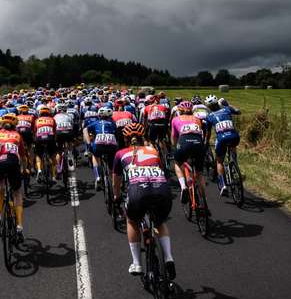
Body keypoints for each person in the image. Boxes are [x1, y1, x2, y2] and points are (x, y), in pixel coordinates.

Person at [112, 122, 175, 279]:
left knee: (132, 220)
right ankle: (168, 257)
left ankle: (137, 263)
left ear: (125, 139)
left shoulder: (121, 154)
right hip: (162, 190)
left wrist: (117, 196)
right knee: (160, 222)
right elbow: (165, 174)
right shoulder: (153, 151)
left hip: (138, 191)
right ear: (142, 138)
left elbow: (116, 181)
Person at [0, 113, 27, 240]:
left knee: (0, 183)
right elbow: (22, 156)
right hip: (12, 161)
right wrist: (24, 169)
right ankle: (19, 225)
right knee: (17, 192)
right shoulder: (17, 135)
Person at [171, 100, 206, 203]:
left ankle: (183, 187)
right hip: (198, 143)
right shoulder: (198, 119)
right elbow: (202, 134)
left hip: (184, 143)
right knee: (199, 173)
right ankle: (204, 201)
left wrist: (176, 147)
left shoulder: (175, 119)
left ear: (180, 110)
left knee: (177, 163)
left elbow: (174, 138)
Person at [207, 97, 241, 196]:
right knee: (233, 147)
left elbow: (208, 133)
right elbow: (239, 112)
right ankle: (234, 165)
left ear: (209, 107)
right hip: (234, 137)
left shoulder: (209, 116)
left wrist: (206, 142)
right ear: (218, 103)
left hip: (221, 139)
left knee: (219, 161)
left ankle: (223, 185)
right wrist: (227, 104)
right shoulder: (227, 109)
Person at [85, 106, 119, 191]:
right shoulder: (113, 123)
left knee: (95, 156)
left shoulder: (96, 122)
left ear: (99, 116)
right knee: (112, 163)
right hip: (111, 142)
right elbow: (116, 133)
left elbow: (85, 129)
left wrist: (89, 144)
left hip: (99, 142)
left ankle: (98, 177)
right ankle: (113, 180)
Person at [33, 105, 57, 180]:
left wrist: (34, 142)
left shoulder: (37, 120)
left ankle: (39, 169)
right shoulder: (52, 119)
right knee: (53, 155)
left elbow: (34, 132)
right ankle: (53, 176)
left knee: (38, 154)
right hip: (50, 138)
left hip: (39, 138)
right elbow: (55, 132)